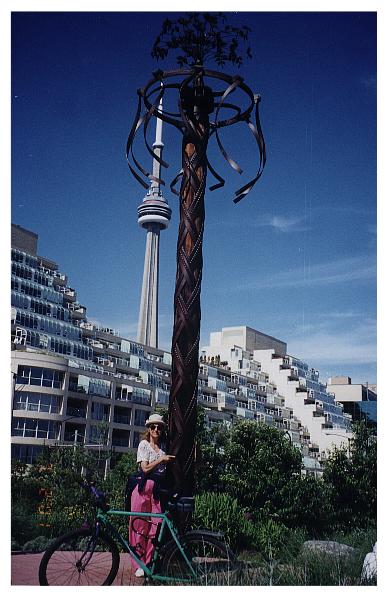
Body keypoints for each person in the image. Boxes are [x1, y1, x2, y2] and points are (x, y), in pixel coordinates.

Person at [129, 413, 175, 578]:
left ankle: (148, 561)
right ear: (148, 429)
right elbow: (145, 469)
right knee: (139, 527)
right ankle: (138, 564)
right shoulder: (144, 445)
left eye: (160, 427)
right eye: (153, 426)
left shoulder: (162, 449)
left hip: (156, 492)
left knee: (155, 527)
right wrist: (161, 460)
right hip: (142, 490)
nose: (156, 430)